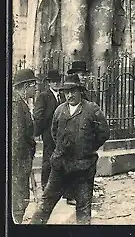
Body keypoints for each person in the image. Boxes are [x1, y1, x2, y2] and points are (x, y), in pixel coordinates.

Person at [30, 73, 110, 225]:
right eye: (66, 92)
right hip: (60, 166)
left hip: (83, 168)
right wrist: (61, 149)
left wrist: (88, 148)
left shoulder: (92, 109)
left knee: (83, 209)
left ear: (80, 91)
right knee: (45, 205)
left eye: (73, 91)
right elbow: (54, 133)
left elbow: (104, 133)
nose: (70, 95)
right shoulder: (60, 110)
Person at [12, 68, 38, 223]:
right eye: (33, 85)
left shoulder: (20, 103)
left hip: (21, 163)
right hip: (17, 165)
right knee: (18, 202)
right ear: (26, 86)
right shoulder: (16, 105)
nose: (35, 88)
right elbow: (16, 139)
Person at [33, 69, 63, 191]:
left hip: (61, 133)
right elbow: (38, 115)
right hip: (48, 133)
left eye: (58, 81)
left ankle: (58, 185)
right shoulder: (43, 96)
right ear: (49, 83)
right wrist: (38, 131)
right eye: (53, 81)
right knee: (48, 159)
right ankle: (45, 185)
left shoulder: (62, 96)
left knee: (60, 159)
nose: (56, 84)